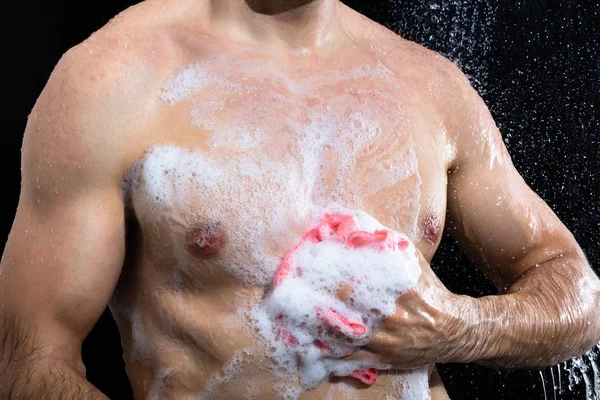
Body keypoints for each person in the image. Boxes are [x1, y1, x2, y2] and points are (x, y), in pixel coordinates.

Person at [1, 0, 599, 398]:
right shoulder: (117, 78)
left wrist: (460, 328)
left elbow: (578, 296)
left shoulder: (431, 87)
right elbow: (30, 359)